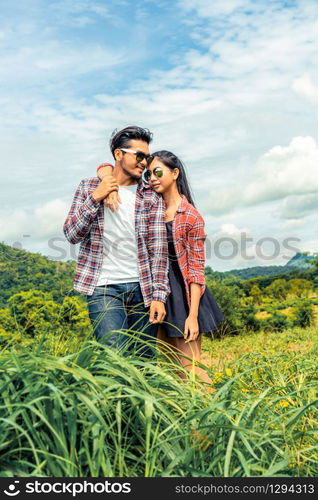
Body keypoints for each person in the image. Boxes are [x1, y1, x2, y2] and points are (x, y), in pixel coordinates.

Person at [97, 150, 224, 384]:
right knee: (167, 367)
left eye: (158, 172)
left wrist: (193, 315)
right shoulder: (149, 204)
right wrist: (105, 174)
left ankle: (212, 415)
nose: (152, 178)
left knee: (190, 365)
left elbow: (196, 271)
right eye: (148, 174)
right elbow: (112, 166)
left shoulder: (190, 216)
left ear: (174, 173)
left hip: (183, 294)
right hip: (155, 290)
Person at [63, 126, 170, 358]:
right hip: (103, 288)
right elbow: (72, 233)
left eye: (147, 157)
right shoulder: (88, 187)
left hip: (143, 290)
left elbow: (159, 252)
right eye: (139, 156)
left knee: (145, 360)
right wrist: (97, 196)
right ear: (118, 154)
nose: (144, 163)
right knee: (113, 359)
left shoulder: (151, 196)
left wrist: (158, 297)